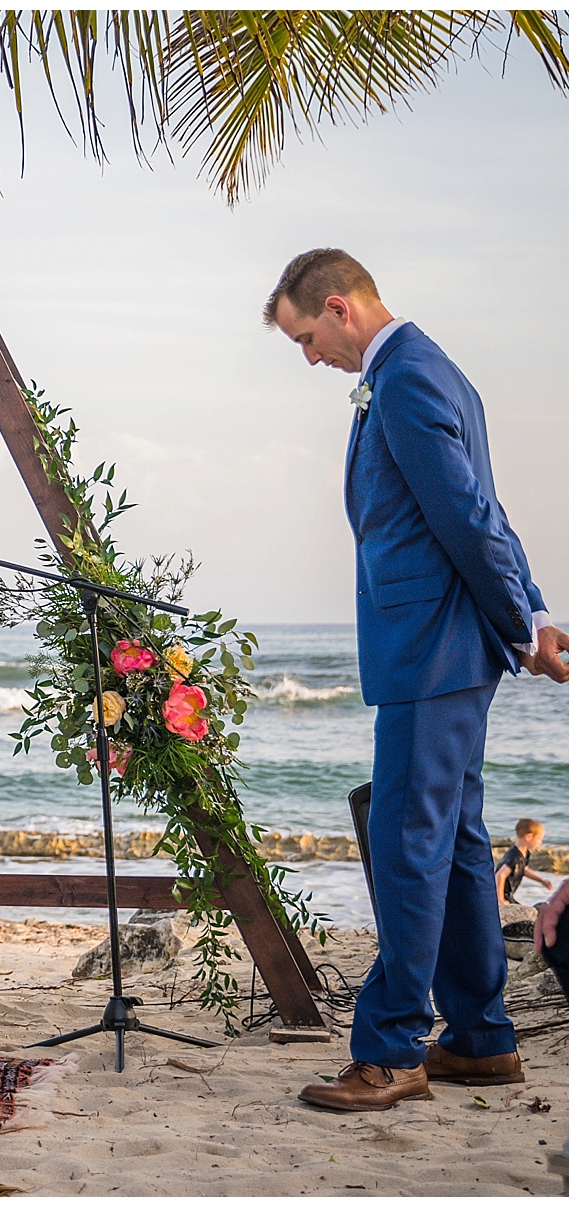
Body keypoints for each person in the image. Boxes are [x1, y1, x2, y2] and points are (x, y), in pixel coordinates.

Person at [265, 250, 568, 1111]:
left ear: (339, 306)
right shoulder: (430, 369)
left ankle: (392, 1046)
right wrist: (534, 614)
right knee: (461, 845)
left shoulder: (404, 378)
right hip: (442, 646)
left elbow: (469, 516)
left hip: (431, 648)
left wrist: (521, 626)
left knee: (407, 844)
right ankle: (480, 1038)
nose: (309, 356)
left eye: (306, 336)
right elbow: (484, 506)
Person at [496, 819, 555, 905]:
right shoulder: (515, 857)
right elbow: (500, 875)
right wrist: (500, 900)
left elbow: (523, 869)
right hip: (502, 895)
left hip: (508, 895)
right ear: (528, 837)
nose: (540, 842)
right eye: (538, 839)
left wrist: (541, 881)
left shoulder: (524, 853)